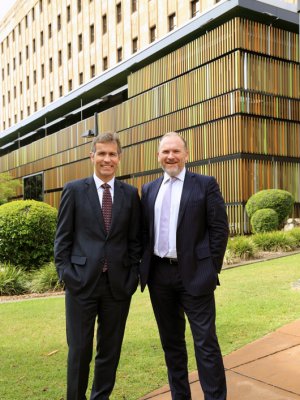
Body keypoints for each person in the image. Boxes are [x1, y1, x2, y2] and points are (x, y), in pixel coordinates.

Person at [140, 131, 229, 400]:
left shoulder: (204, 184)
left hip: (195, 275)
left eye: (176, 151)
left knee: (206, 343)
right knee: (172, 345)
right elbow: (144, 233)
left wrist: (210, 268)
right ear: (158, 156)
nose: (171, 156)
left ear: (186, 154)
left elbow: (219, 229)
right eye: (166, 151)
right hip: (159, 276)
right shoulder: (149, 189)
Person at [54, 132, 142, 400]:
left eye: (112, 154)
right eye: (101, 153)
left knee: (110, 350)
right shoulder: (73, 190)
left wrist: (132, 276)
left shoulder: (129, 194)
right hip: (81, 283)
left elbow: (136, 240)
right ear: (92, 156)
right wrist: (68, 275)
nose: (107, 159)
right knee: (79, 350)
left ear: (119, 157)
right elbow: (62, 241)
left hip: (117, 286)